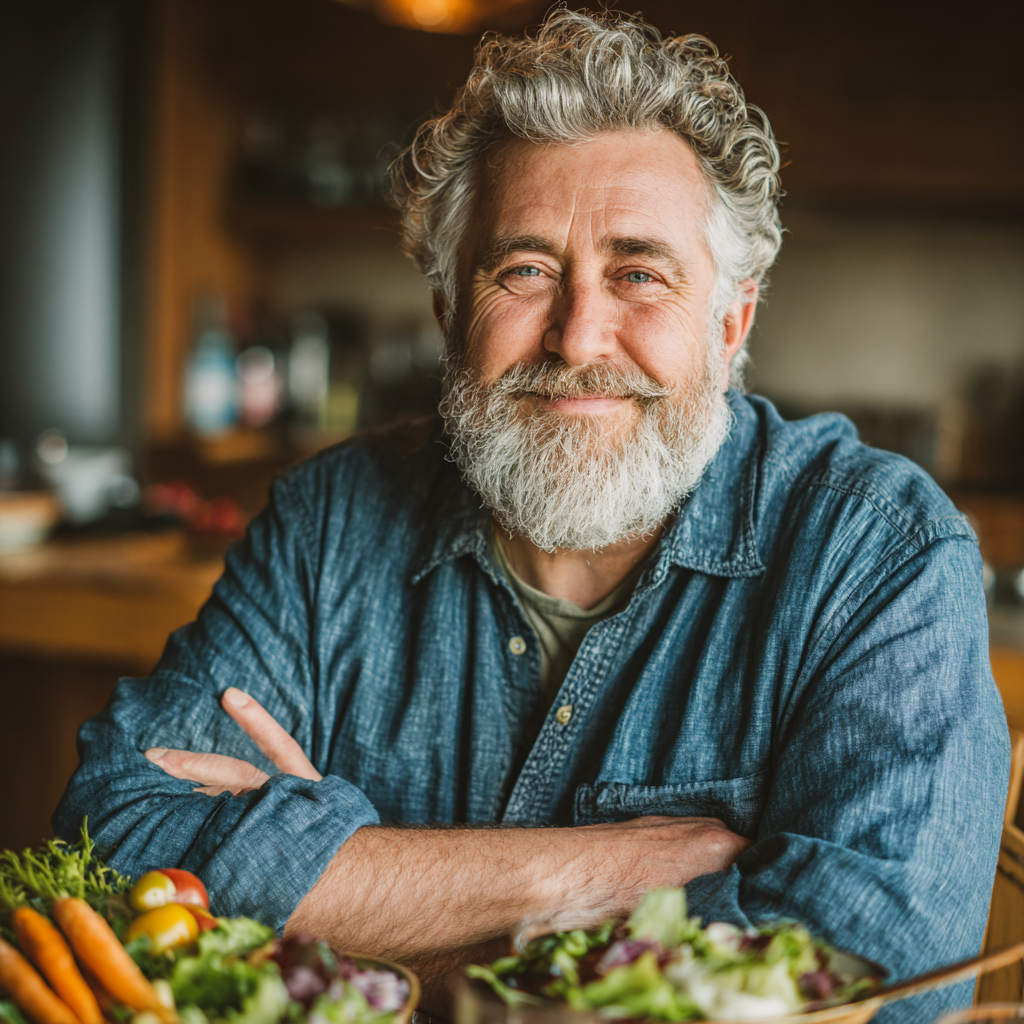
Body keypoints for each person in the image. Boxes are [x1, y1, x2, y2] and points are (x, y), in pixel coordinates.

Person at [56, 10, 1007, 1023]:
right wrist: (606, 875)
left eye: (639, 272)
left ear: (730, 326)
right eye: (524, 270)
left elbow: (877, 980)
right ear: (448, 312)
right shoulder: (330, 520)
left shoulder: (878, 554)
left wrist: (356, 893)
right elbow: (108, 838)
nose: (577, 333)